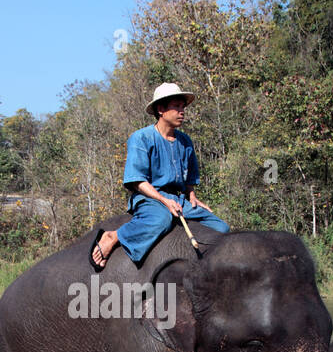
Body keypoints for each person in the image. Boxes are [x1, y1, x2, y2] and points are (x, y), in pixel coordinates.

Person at [90, 83, 229, 270]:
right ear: (161, 109)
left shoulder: (185, 141)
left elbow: (190, 179)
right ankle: (114, 236)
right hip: (150, 197)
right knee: (161, 219)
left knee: (221, 228)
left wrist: (192, 197)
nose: (182, 111)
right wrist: (164, 200)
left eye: (183, 107)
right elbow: (137, 181)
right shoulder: (141, 138)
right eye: (177, 106)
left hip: (179, 199)